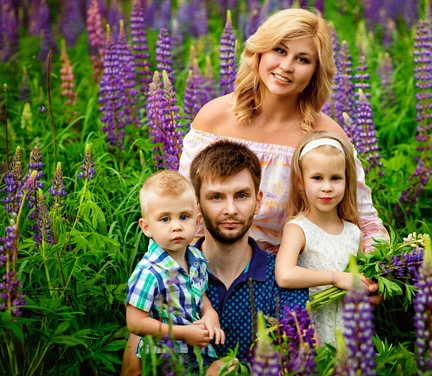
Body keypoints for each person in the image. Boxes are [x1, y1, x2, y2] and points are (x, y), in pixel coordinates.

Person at [179, 7, 389, 254]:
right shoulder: (214, 119)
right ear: (259, 52)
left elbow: (365, 221)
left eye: (303, 59)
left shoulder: (325, 137)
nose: (287, 66)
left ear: (315, 72)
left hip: (295, 277)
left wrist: (374, 274)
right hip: (211, 266)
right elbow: (182, 209)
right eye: (279, 50)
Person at [122, 142, 308, 375]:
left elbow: (302, 364)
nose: (230, 209)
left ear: (258, 201)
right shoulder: (164, 272)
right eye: (217, 197)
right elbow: (132, 368)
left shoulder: (282, 276)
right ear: (198, 206)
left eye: (241, 195)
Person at [275, 131, 371, 344]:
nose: (327, 187)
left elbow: (360, 282)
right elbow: (284, 275)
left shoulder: (354, 234)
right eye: (317, 178)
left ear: (347, 182)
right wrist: (335, 277)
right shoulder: (298, 228)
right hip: (312, 334)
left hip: (351, 334)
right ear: (301, 183)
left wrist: (371, 285)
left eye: (335, 178)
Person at [125, 170, 225, 371]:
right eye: (165, 219)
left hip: (195, 351)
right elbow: (135, 323)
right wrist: (183, 333)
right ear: (146, 227)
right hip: (163, 354)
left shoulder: (196, 259)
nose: (176, 226)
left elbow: (200, 294)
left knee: (228, 367)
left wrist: (210, 313)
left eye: (184, 217)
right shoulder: (149, 271)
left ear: (197, 222)